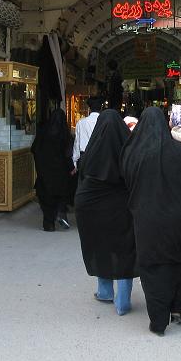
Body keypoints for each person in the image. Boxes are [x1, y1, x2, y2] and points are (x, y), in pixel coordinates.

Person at [120, 107, 181, 336]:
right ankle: (177, 308)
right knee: (180, 265)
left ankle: (158, 321)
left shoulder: (133, 154)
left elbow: (126, 184)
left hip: (148, 222)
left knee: (153, 268)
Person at [74, 109, 137, 316]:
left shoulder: (93, 152)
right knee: (125, 251)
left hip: (96, 212)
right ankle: (123, 301)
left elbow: (83, 183)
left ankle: (105, 291)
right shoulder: (129, 150)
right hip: (124, 211)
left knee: (101, 247)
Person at [31, 108, 73, 231]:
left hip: (45, 172)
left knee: (46, 197)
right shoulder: (64, 134)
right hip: (61, 172)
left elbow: (34, 149)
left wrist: (40, 165)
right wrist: (70, 167)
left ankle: (49, 223)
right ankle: (60, 211)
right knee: (61, 195)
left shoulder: (43, 132)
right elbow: (68, 153)